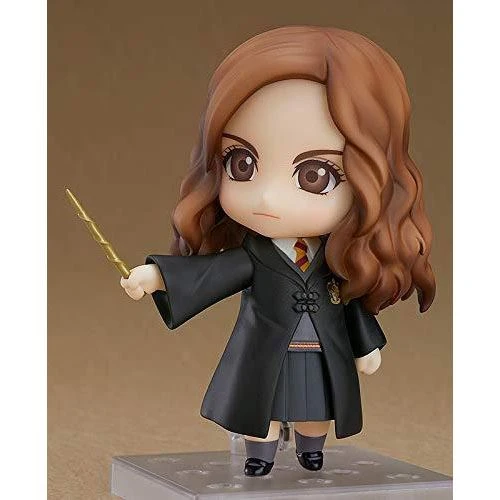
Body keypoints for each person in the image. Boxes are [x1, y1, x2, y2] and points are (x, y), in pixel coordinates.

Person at [120, 26, 435, 477]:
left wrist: (366, 346)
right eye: (242, 163)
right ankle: (260, 455)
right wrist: (157, 277)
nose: (268, 198)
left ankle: (311, 448)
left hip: (322, 350)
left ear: (373, 179)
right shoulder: (255, 255)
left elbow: (349, 304)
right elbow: (213, 273)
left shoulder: (336, 260)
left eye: (315, 175)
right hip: (264, 351)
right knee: (261, 407)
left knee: (317, 407)